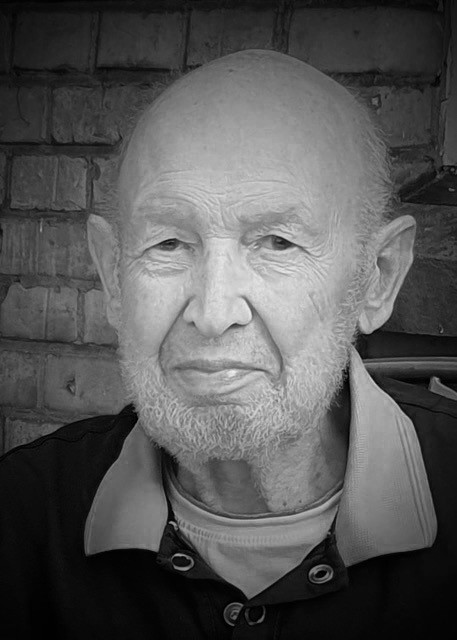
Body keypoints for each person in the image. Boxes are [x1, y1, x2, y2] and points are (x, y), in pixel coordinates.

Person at [1, 49, 457, 640]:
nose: (214, 314)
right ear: (113, 278)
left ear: (377, 277)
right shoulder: (20, 516)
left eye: (277, 243)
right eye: (168, 244)